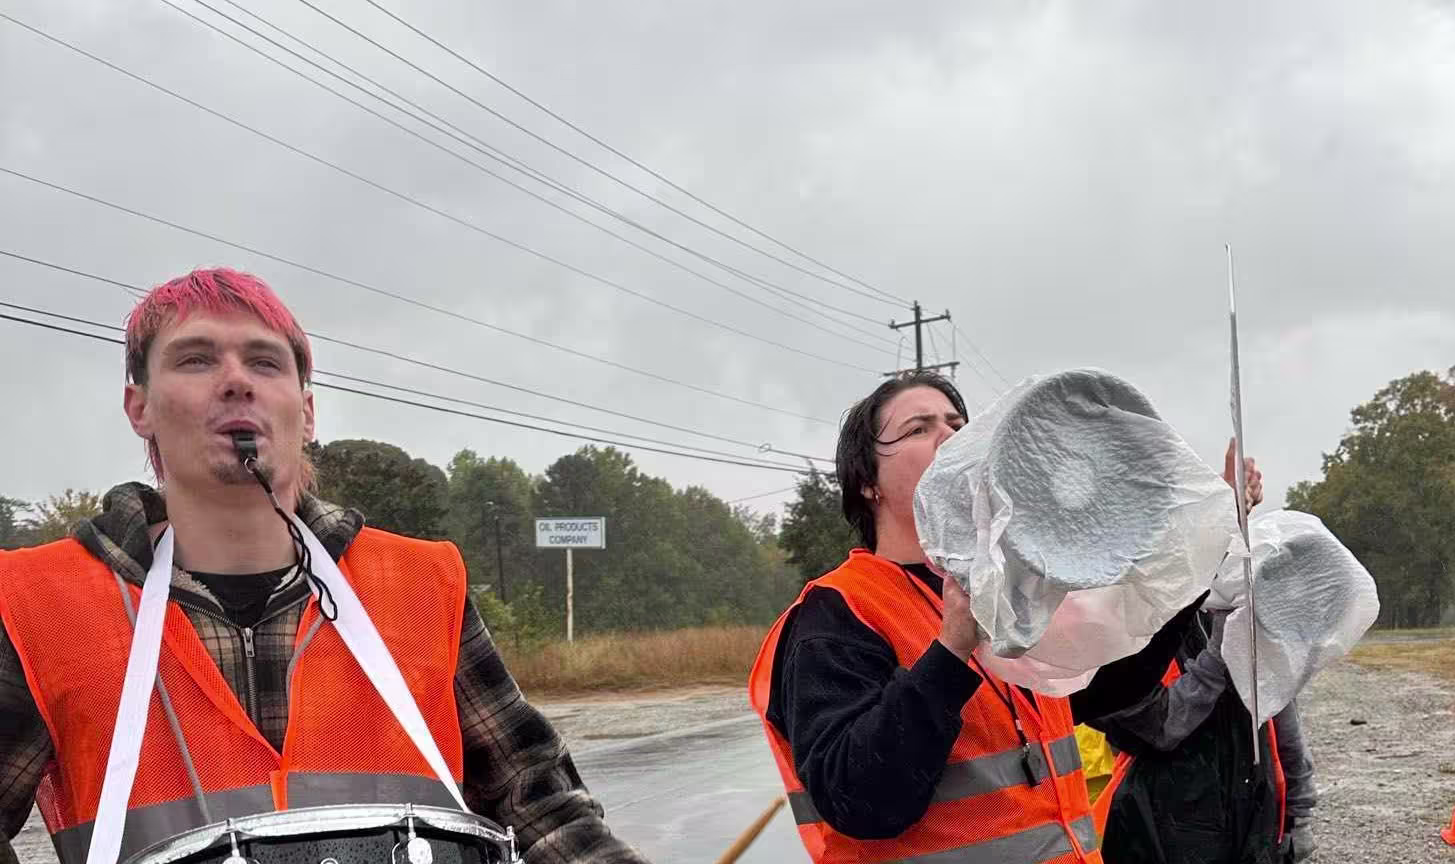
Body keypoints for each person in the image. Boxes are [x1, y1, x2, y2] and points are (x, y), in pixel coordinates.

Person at [0, 270, 648, 864]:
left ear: (306, 414)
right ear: (138, 408)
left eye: (264, 361)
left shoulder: (423, 586)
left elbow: (538, 803)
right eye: (196, 359)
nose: (235, 379)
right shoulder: (35, 606)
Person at [747, 370, 1264, 863]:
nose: (948, 437)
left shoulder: (1012, 590)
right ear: (867, 482)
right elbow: (859, 798)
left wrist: (1206, 542)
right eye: (918, 428)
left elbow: (1110, 689)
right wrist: (951, 649)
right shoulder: (836, 613)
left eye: (957, 425)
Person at [1089, 607, 1319, 863]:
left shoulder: (1235, 609)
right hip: (1160, 824)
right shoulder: (1123, 618)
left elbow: (1281, 714)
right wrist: (1216, 657)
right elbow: (1157, 727)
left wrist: (1299, 813)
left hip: (1253, 813)